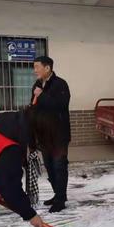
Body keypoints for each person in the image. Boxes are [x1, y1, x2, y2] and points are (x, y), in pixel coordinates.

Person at [31, 56, 71, 213]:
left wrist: (42, 95)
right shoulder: (37, 84)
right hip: (44, 135)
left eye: (37, 67)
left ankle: (60, 200)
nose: (35, 71)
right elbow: (34, 106)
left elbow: (61, 106)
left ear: (47, 68)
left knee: (59, 166)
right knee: (49, 167)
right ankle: (57, 194)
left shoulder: (60, 84)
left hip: (59, 135)